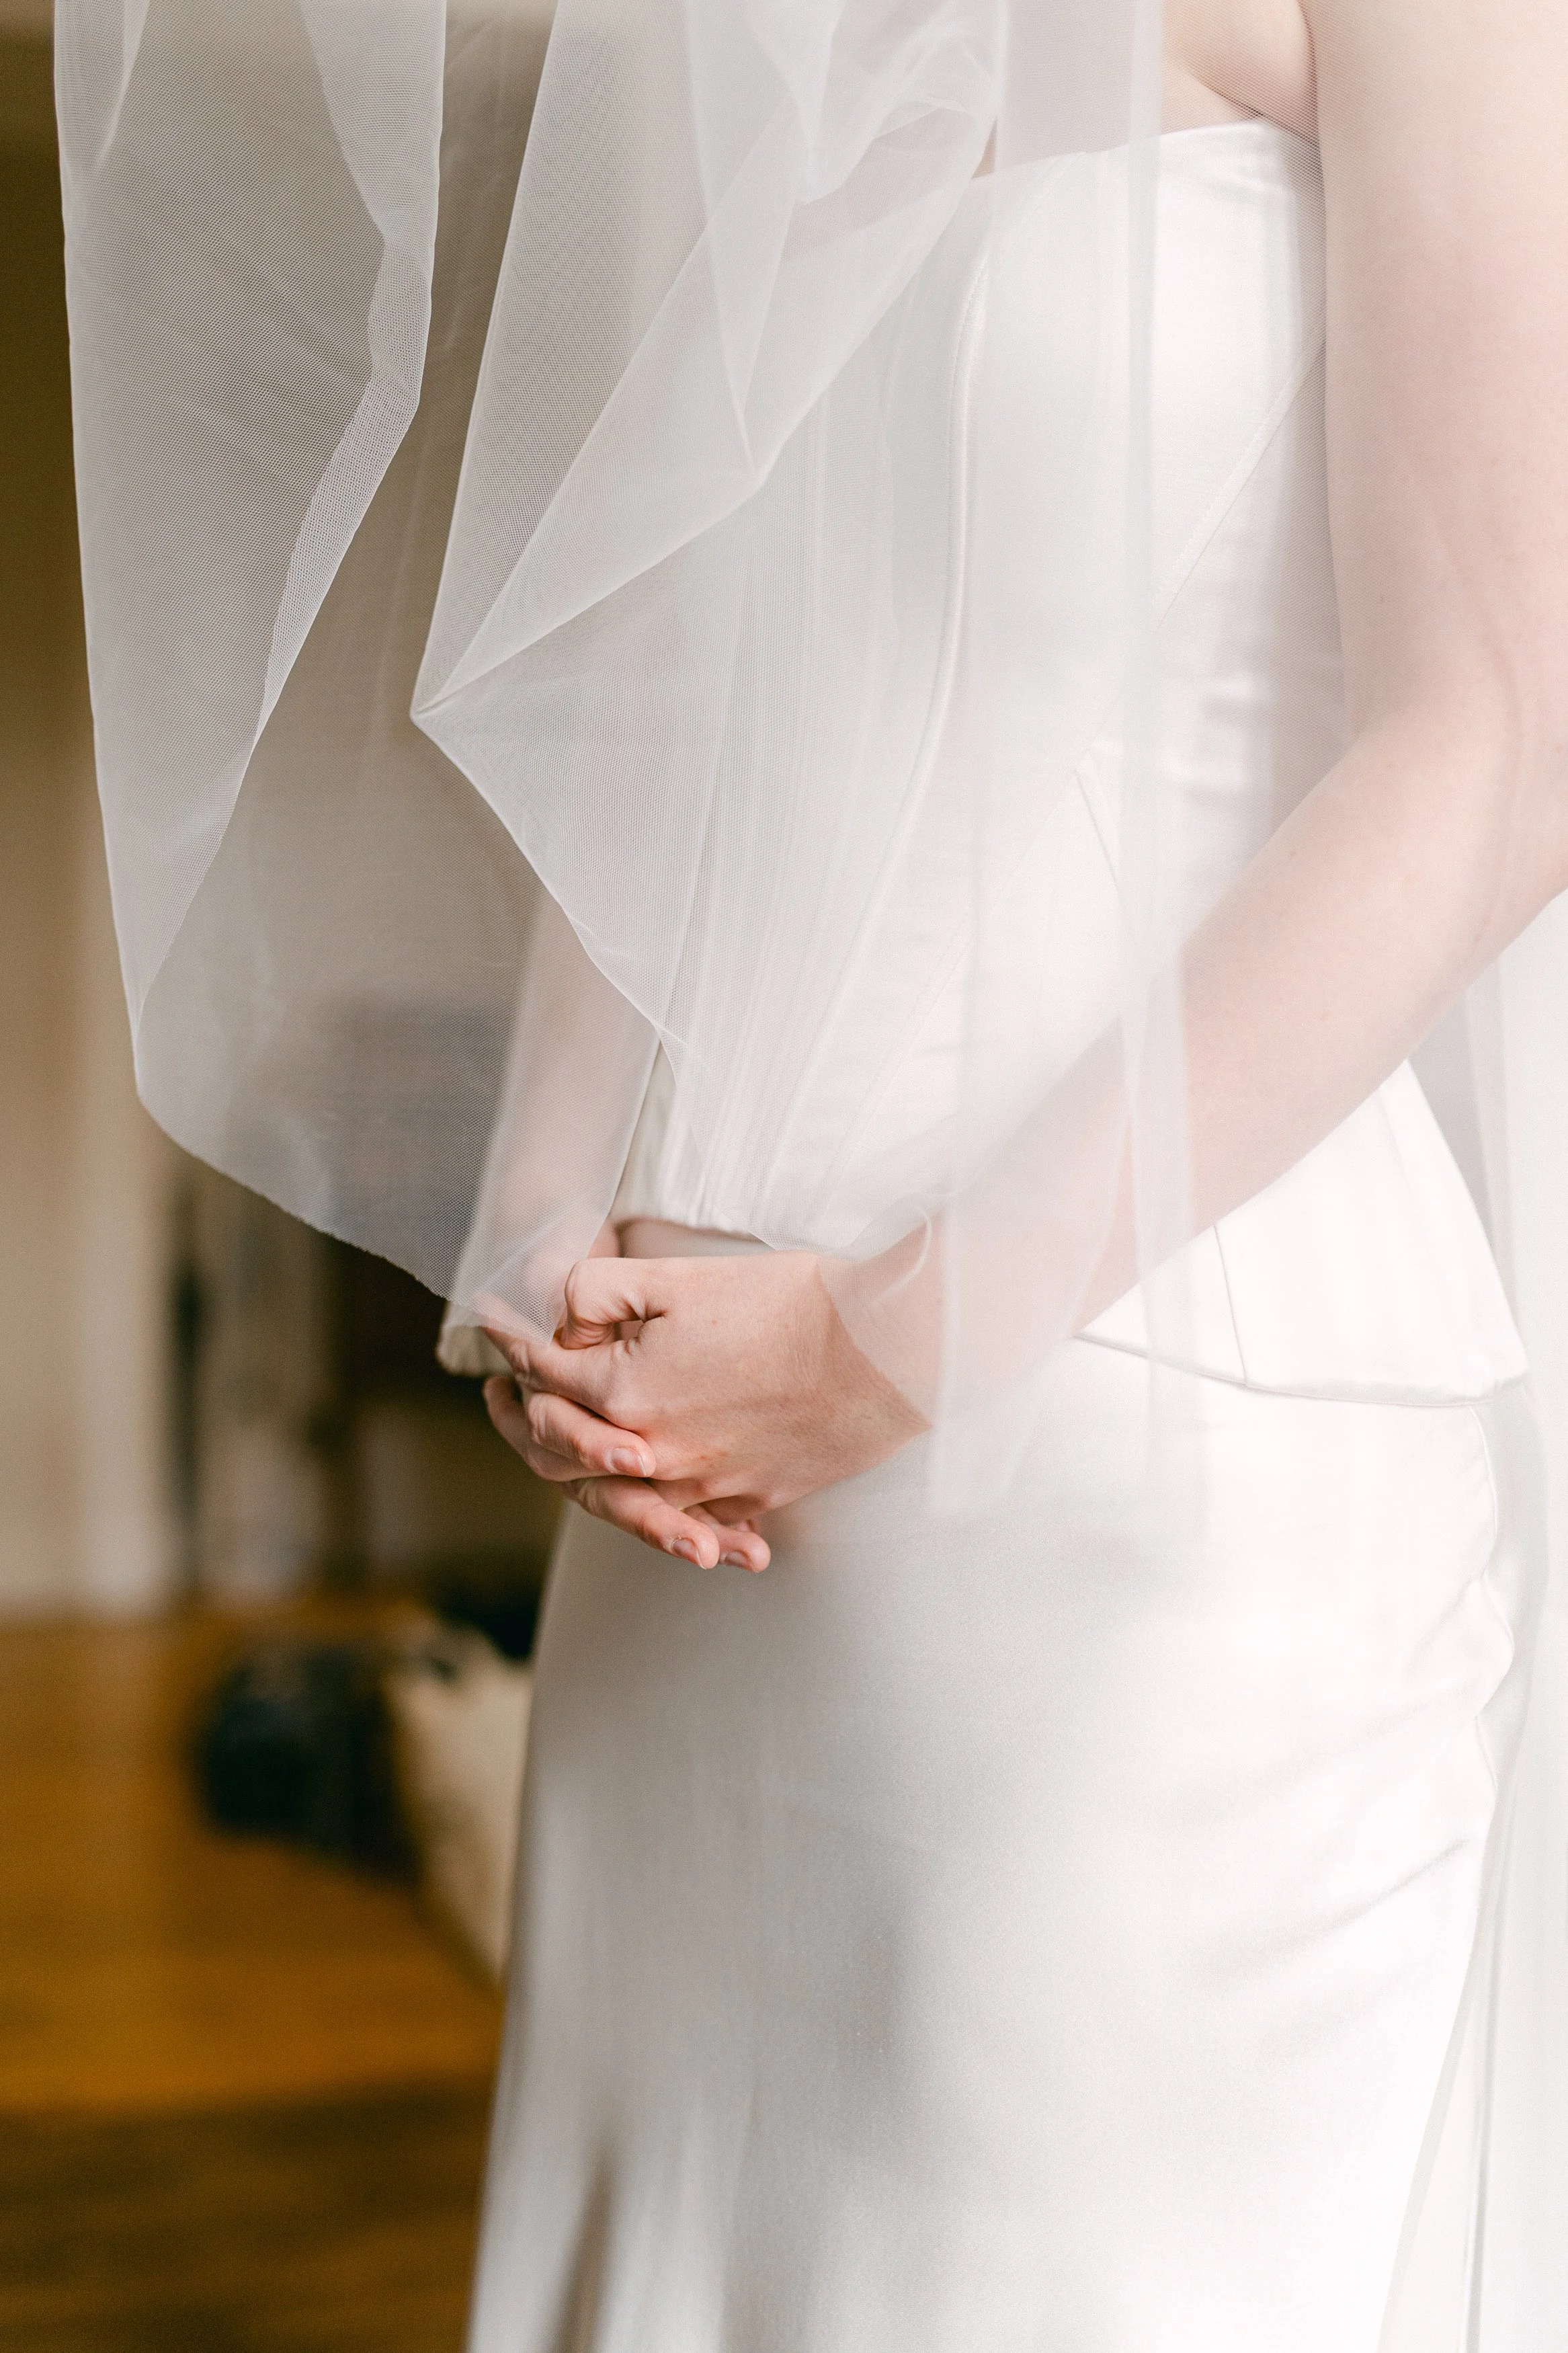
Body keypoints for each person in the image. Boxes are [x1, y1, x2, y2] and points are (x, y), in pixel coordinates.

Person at [56, 0, 1568, 2342]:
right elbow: (689, 657)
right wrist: (542, 1227)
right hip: (705, 1537)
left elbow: (1493, 747)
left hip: (1149, 1473)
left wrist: (886, 1339)